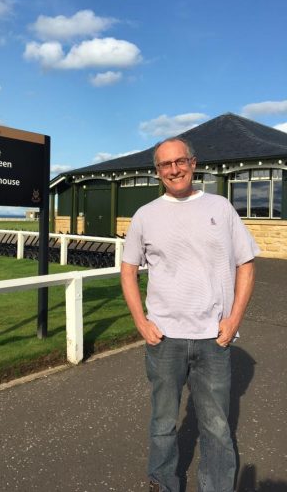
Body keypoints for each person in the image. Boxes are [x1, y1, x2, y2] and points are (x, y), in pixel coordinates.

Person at [121, 137, 259, 492]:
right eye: (165, 165)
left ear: (193, 163)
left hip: (214, 337)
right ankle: (163, 481)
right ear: (157, 172)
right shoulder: (145, 216)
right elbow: (128, 270)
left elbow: (246, 263)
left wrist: (234, 320)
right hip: (164, 338)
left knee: (215, 424)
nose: (174, 170)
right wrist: (141, 322)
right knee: (164, 420)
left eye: (180, 162)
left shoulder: (221, 207)